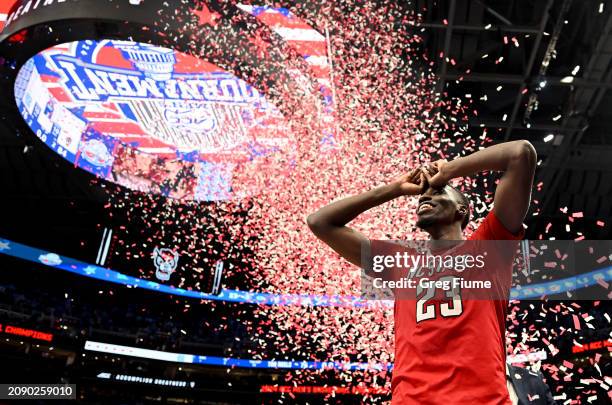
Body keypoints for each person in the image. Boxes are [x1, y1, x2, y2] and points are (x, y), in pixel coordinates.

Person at [307, 140, 537, 404]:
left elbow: (521, 154)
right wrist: (394, 189)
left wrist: (449, 170)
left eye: (439, 192)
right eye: (423, 196)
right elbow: (320, 222)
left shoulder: (489, 246)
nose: (426, 196)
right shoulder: (398, 261)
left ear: (462, 210)